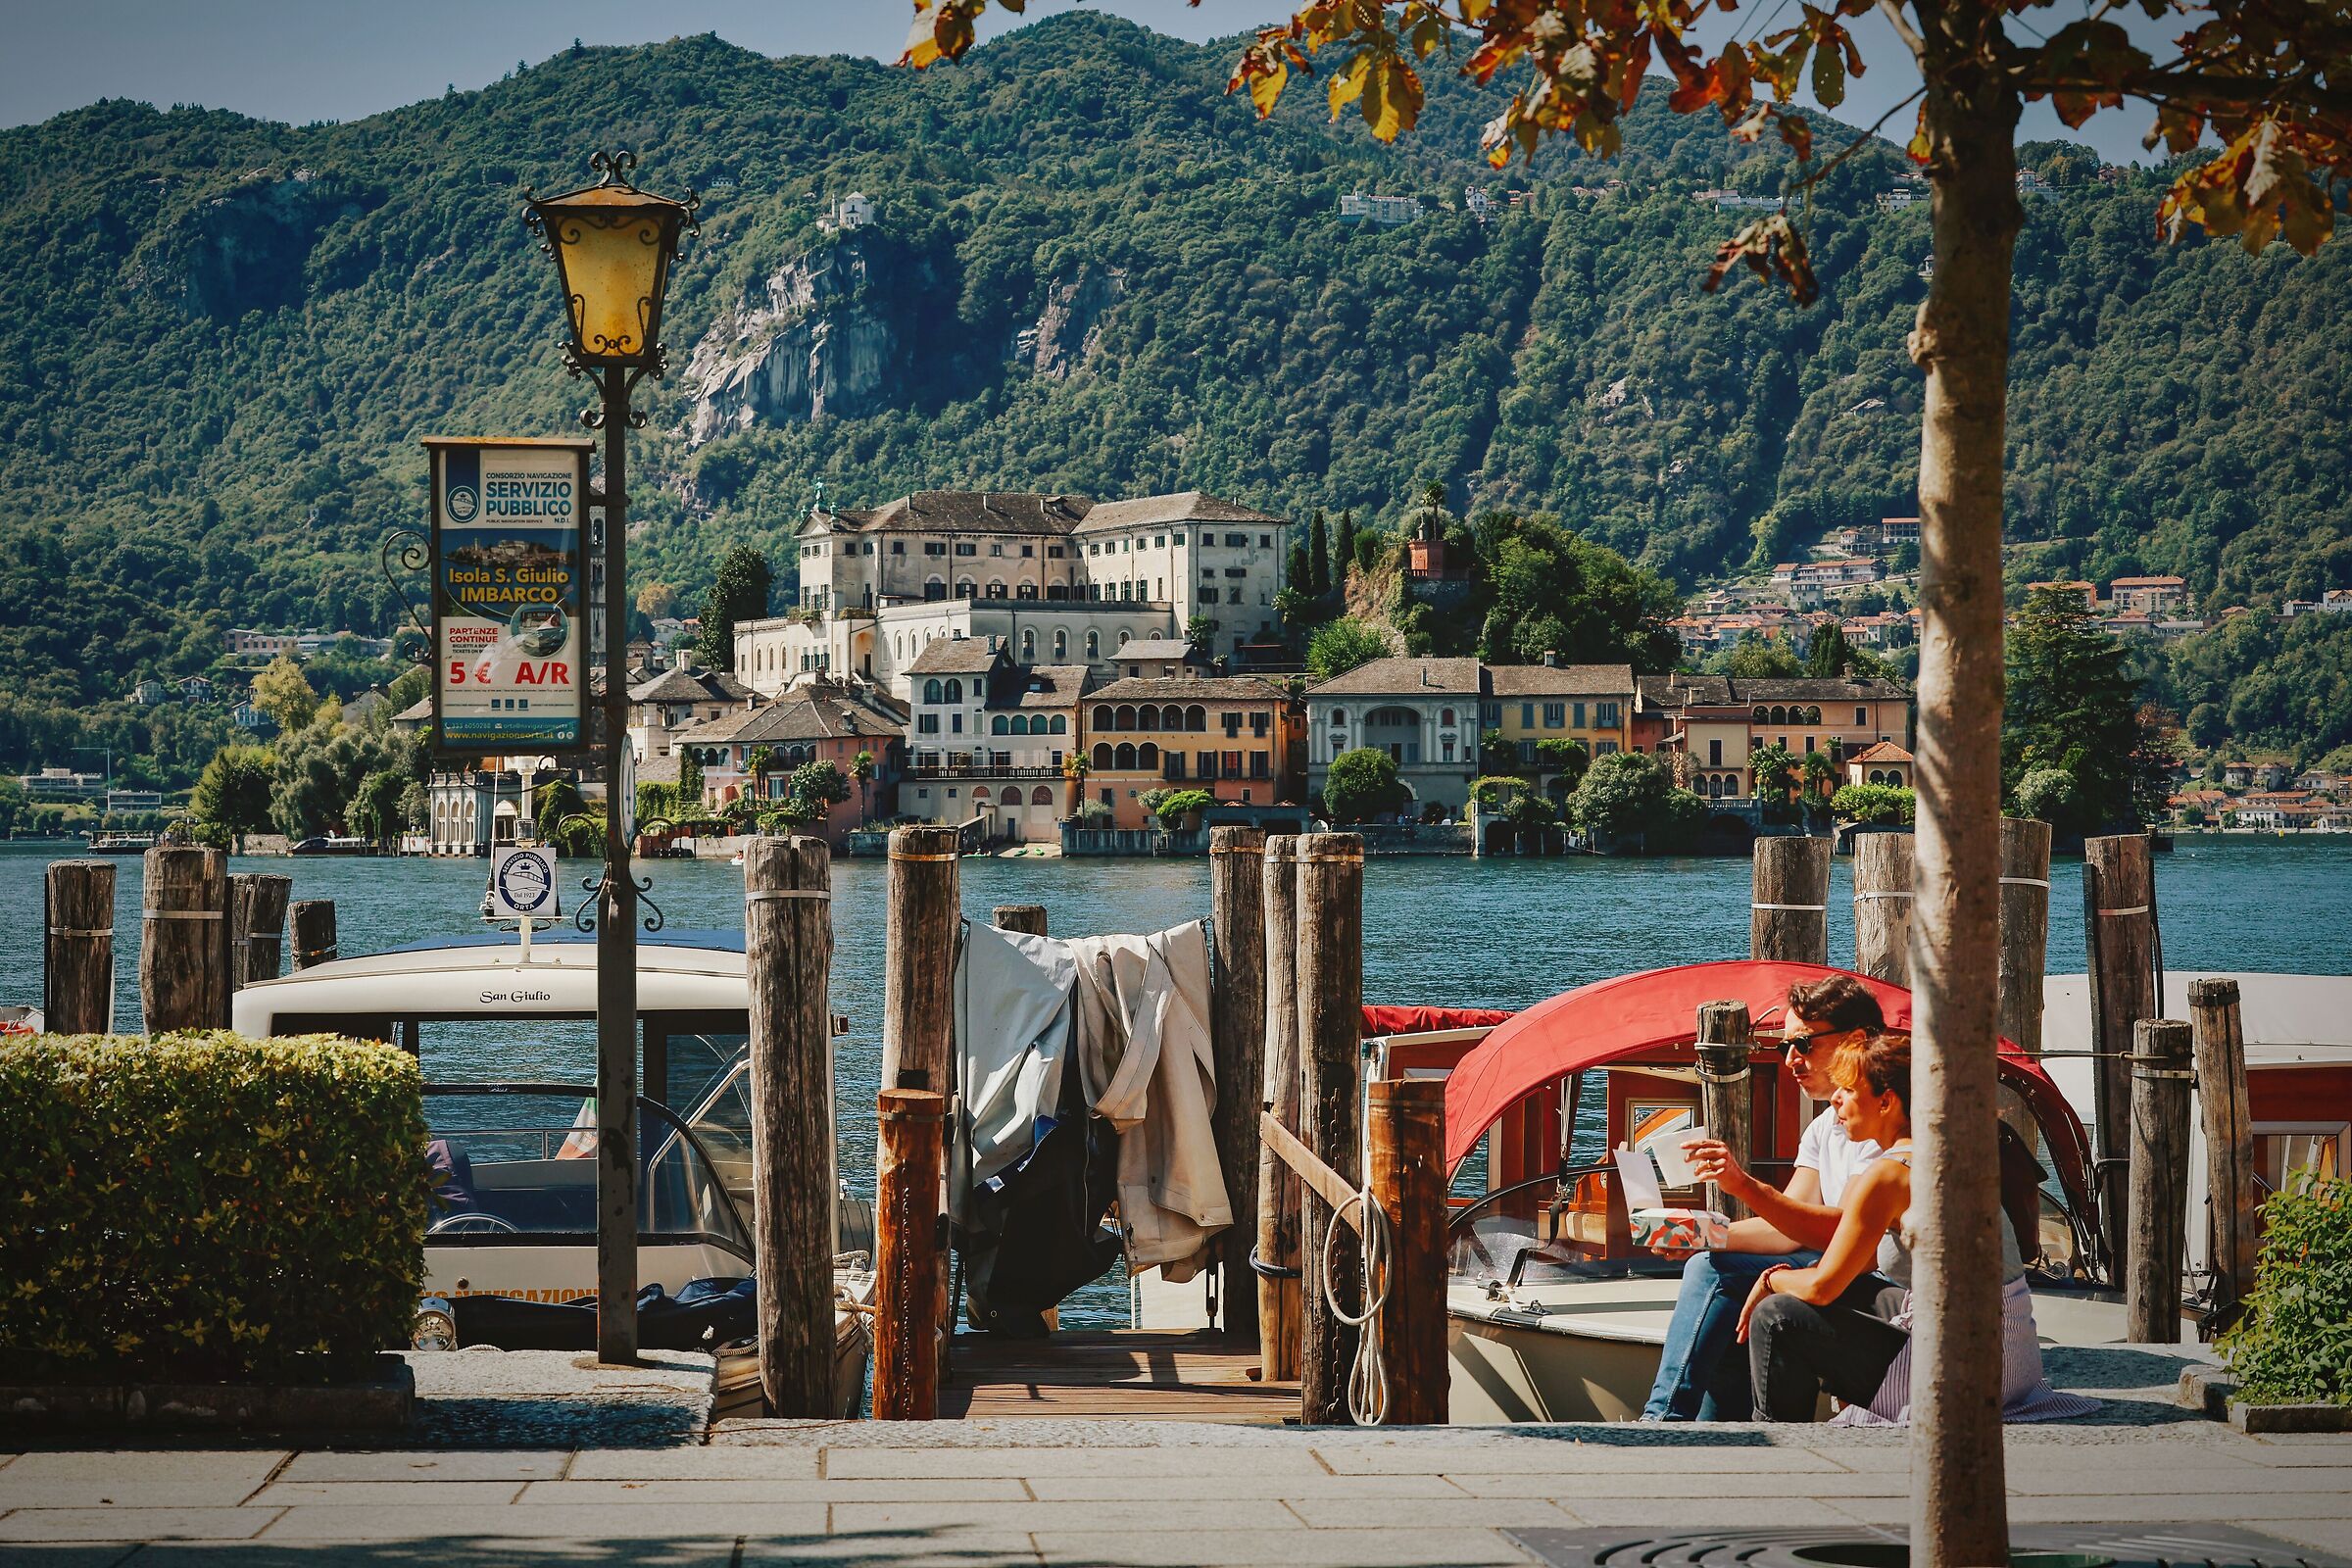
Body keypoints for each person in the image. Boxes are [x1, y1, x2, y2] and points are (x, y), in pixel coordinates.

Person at [1740, 1034, 2091, 1424]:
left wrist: (1772, 1280)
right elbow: (1845, 1273)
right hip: (2012, 1359)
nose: (1835, 1100)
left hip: (1960, 1373)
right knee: (1854, 1291)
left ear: (1887, 1102)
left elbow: (1822, 1288)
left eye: (1849, 1090)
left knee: (1777, 1317)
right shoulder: (1952, 1149)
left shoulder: (1888, 1175)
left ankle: (1779, 1449)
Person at [1639, 973, 1887, 1421]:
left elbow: (1842, 1232)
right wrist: (1698, 1232)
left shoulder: (1884, 1125)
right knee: (1721, 1281)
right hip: (1839, 1270)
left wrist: (1744, 1187)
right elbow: (1786, 1231)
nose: (1791, 1059)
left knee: (1714, 1273)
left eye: (1804, 1044)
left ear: (1856, 1040)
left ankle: (1662, 1421)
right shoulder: (1823, 1128)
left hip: (1882, 1285)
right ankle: (1718, 1436)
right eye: (1782, 1047)